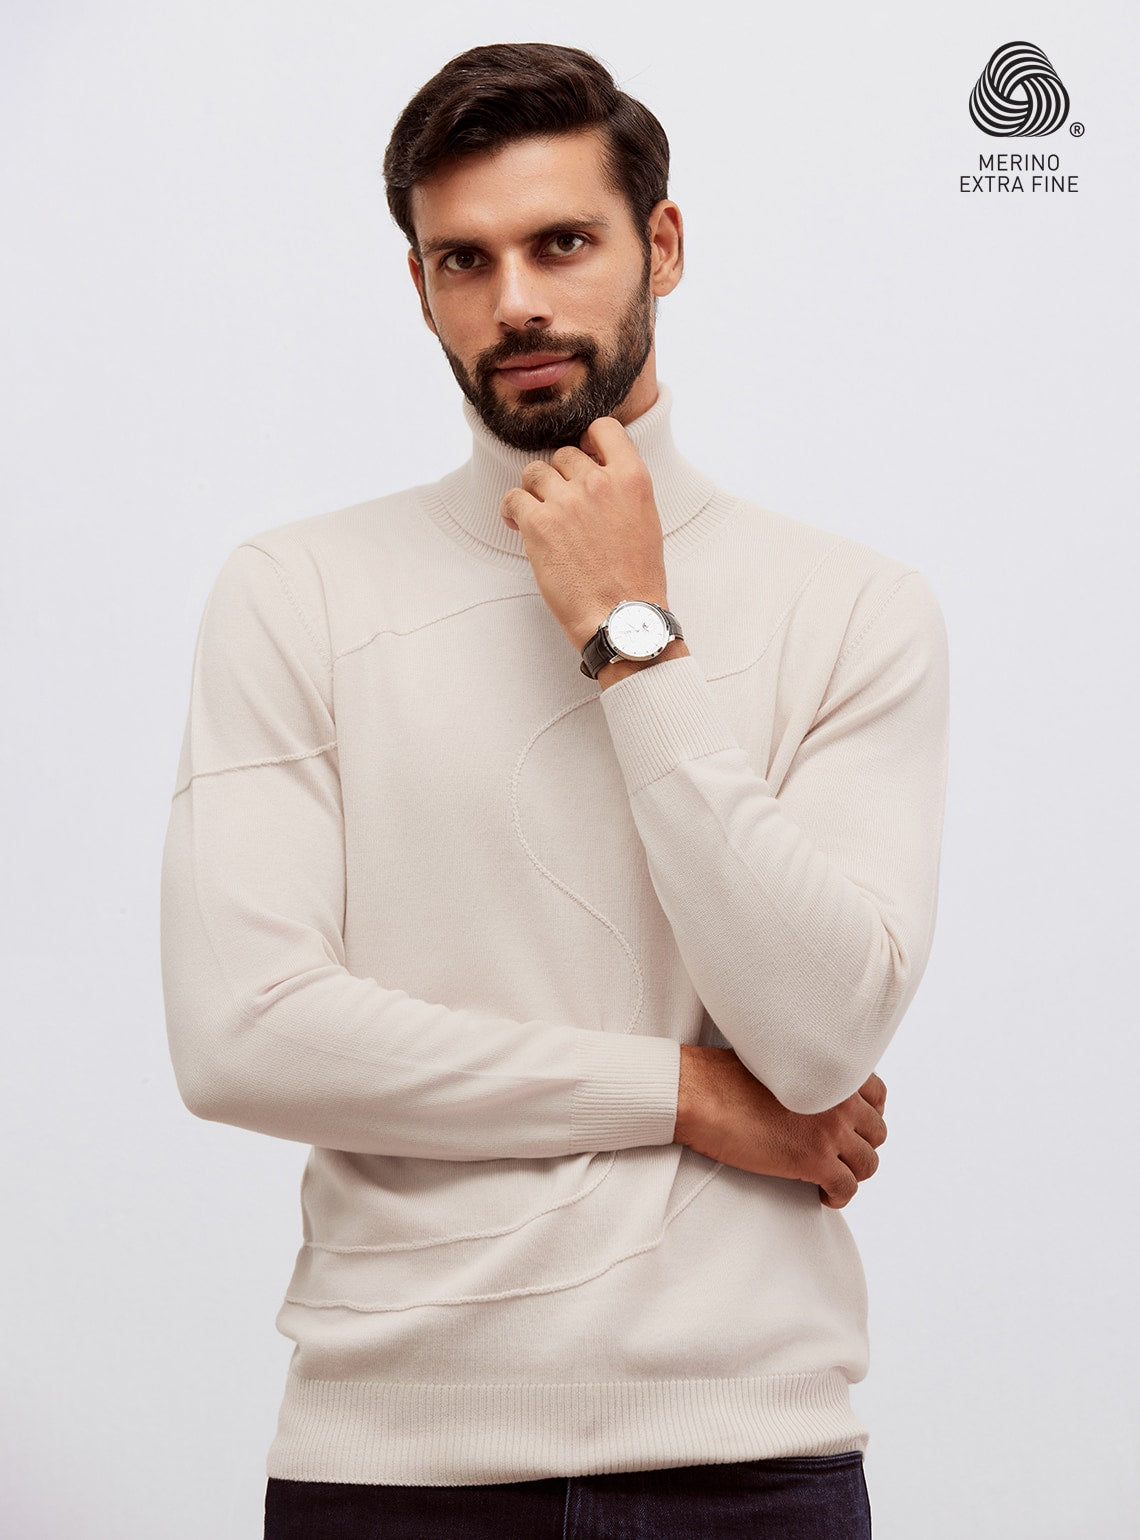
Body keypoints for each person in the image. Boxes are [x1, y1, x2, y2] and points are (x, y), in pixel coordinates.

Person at [159, 40, 949, 1540]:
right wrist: (682, 1095)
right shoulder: (295, 592)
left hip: (750, 1464)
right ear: (421, 289)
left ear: (661, 246)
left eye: (563, 243)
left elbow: (818, 1034)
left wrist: (629, 634)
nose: (514, 298)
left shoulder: (854, 607)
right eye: (465, 259)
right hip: (390, 1467)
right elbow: (243, 1035)